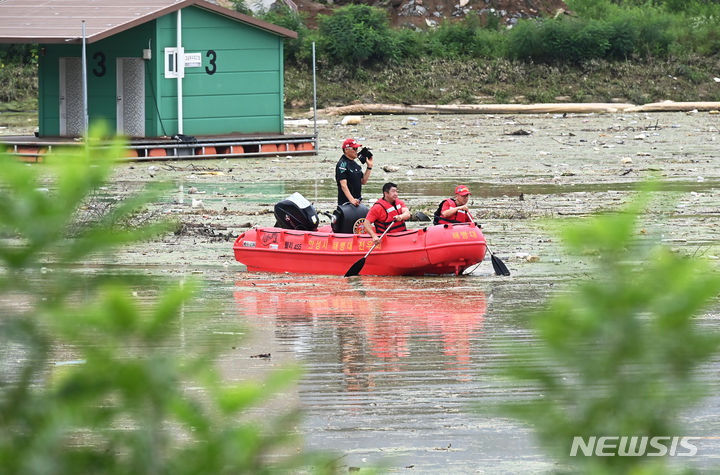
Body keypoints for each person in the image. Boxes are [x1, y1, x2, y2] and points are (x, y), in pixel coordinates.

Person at [335, 138, 373, 206]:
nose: (357, 151)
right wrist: (351, 200)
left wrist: (369, 167)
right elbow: (343, 185)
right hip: (345, 204)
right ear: (346, 150)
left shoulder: (356, 165)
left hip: (357, 202)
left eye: (357, 149)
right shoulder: (342, 164)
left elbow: (363, 181)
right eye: (354, 149)